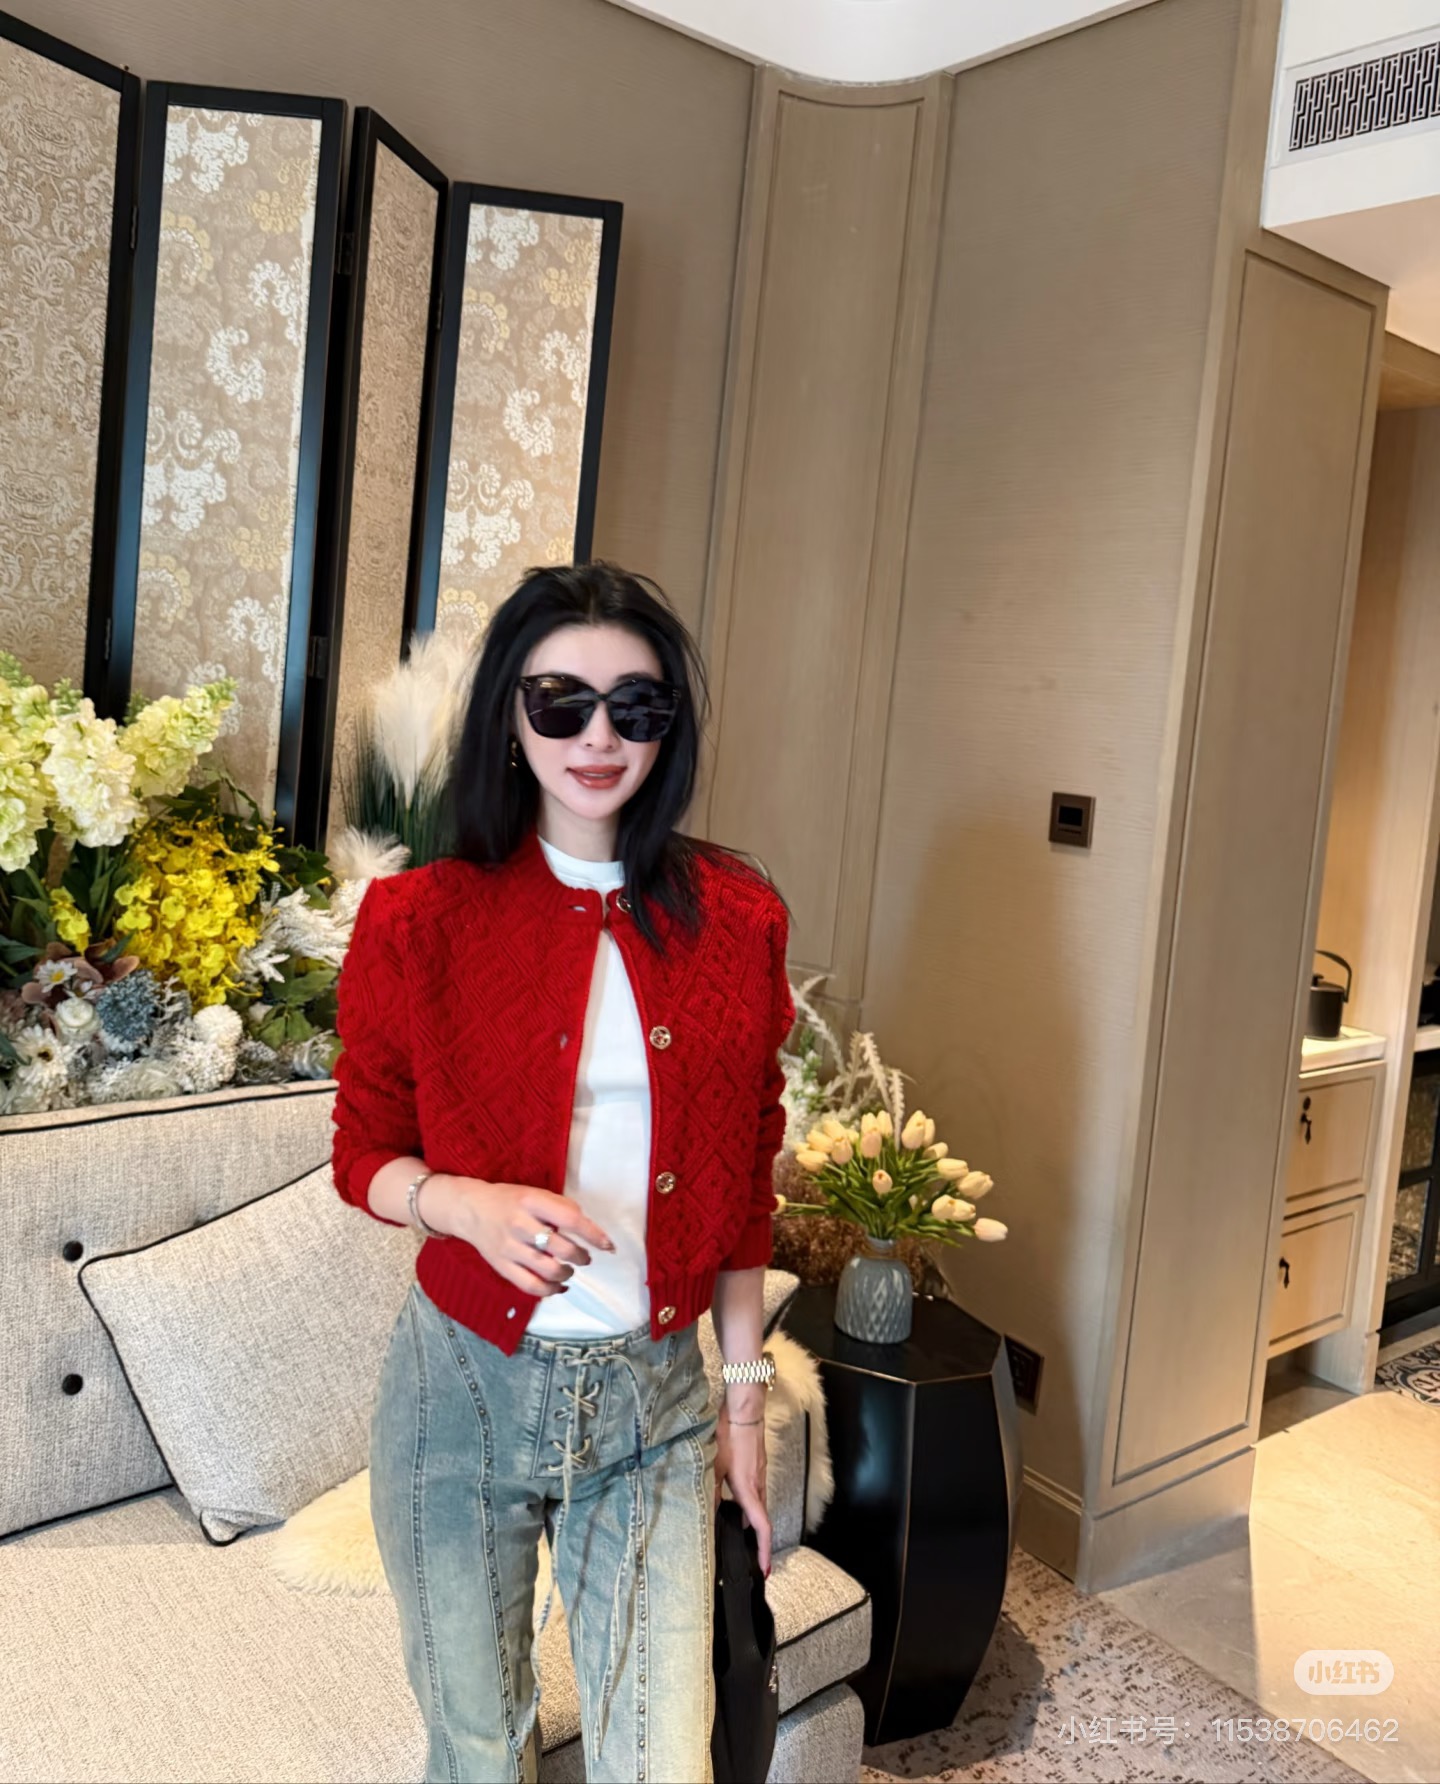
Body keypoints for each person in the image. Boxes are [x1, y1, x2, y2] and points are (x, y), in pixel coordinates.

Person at [330, 561, 795, 1784]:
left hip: (655, 1407)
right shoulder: (418, 918)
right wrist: (464, 1204)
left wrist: (745, 1404)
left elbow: (747, 1184)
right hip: (460, 1396)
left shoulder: (737, 916)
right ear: (510, 713)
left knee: (663, 1759)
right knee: (480, 1751)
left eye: (635, 706)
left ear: (669, 725)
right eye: (561, 702)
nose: (599, 737)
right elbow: (362, 1154)